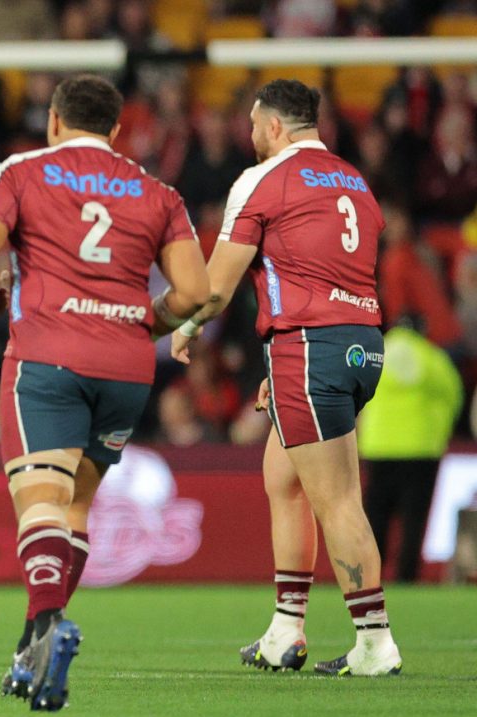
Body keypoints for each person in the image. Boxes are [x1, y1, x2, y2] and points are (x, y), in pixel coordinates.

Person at [0, 74, 208, 711]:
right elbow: (196, 294)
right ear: (118, 130)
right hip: (126, 367)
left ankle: (44, 626)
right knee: (76, 510)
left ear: (54, 121)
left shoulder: (23, 170)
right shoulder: (159, 192)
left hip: (48, 355)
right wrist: (148, 322)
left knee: (40, 497)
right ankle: (30, 645)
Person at [171, 79, 403, 676]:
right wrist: (284, 363)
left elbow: (217, 286)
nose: (249, 136)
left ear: (274, 126)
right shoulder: (353, 180)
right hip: (358, 343)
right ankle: (285, 631)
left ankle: (375, 642)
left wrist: (188, 325)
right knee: (284, 476)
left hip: (310, 344)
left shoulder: (264, 178)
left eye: (253, 125)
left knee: (338, 500)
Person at [359, 322, 463, 583]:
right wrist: (439, 427)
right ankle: (407, 577)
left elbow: (356, 392)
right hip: (420, 448)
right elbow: (453, 395)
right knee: (413, 519)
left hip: (379, 447)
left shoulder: (374, 354)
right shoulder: (431, 358)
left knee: (375, 517)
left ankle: (369, 576)